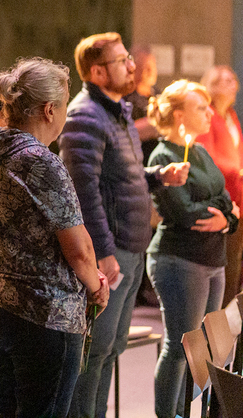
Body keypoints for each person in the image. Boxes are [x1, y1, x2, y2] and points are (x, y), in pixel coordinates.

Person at [0, 57, 109, 418]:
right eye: (64, 106)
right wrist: (96, 285)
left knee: (8, 411)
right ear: (49, 110)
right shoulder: (39, 160)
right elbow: (78, 249)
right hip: (39, 310)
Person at [60, 32, 189, 418]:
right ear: (98, 72)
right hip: (111, 251)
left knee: (112, 347)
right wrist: (102, 252)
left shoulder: (117, 111)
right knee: (95, 350)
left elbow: (122, 177)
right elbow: (84, 191)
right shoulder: (85, 116)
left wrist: (159, 176)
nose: (132, 66)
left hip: (129, 248)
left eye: (129, 58)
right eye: (122, 61)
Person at [144, 79, 240, 417]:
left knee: (207, 348)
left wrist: (226, 218)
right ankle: (168, 414)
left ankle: (189, 411)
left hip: (212, 258)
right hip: (180, 259)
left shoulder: (199, 151)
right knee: (180, 345)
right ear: (179, 115)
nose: (210, 113)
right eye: (201, 108)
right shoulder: (163, 156)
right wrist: (223, 212)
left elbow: (226, 198)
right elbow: (184, 213)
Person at [196, 65, 243, 305]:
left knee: (234, 269)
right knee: (225, 271)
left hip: (238, 200)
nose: (232, 84)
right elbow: (206, 157)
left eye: (233, 80)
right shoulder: (209, 115)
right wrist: (236, 172)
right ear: (211, 86)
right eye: (224, 80)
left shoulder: (230, 116)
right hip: (221, 200)